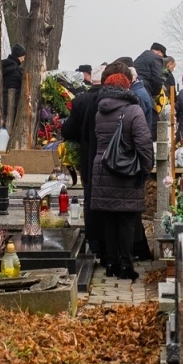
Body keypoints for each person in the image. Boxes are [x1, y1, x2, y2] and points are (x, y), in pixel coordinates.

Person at [90, 64, 155, 281]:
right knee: (127, 221)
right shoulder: (134, 111)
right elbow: (144, 143)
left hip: (103, 169)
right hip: (126, 171)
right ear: (127, 88)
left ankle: (112, 263)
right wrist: (145, 168)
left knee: (110, 220)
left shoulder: (100, 111)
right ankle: (126, 265)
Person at [60, 71, 106, 252]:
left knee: (90, 201)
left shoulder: (81, 100)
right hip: (112, 161)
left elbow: (68, 130)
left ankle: (93, 243)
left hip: (88, 159)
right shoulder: (112, 99)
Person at [1, 44, 26, 132]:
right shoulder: (16, 70)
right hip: (12, 103)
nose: (23, 60)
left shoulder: (2, 65)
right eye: (23, 57)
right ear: (19, 56)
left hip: (0, 101)